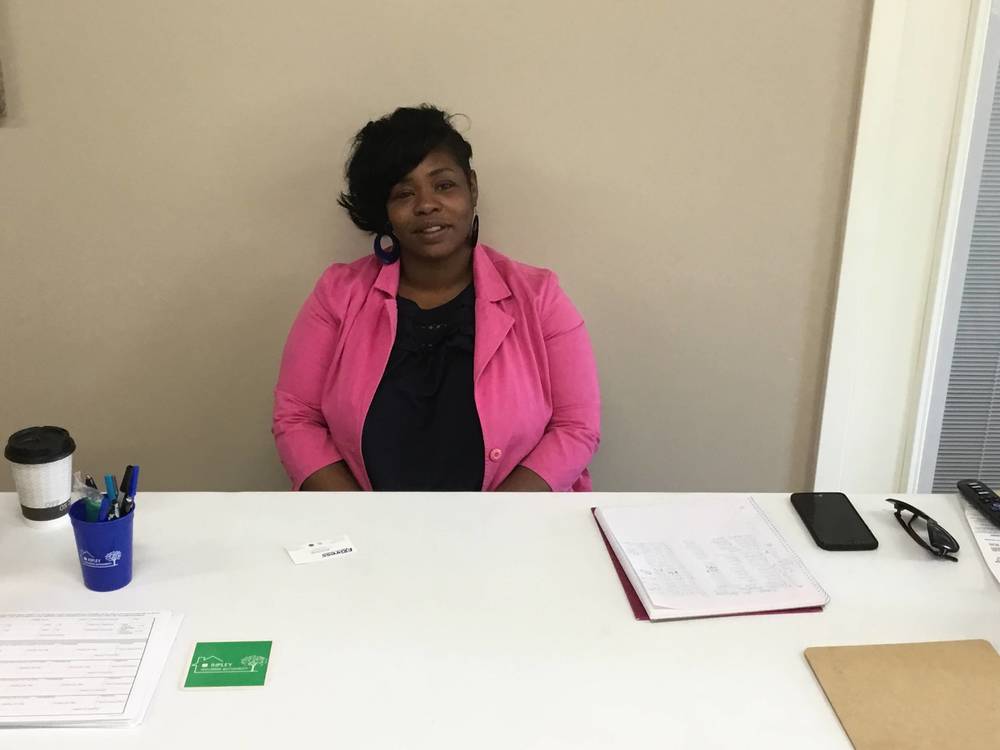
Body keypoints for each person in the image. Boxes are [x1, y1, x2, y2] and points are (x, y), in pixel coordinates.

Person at [272, 105, 600, 492]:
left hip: (510, 535)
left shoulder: (539, 297)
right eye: (404, 193)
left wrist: (494, 524)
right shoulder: (337, 295)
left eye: (443, 185)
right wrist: (363, 522)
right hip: (367, 538)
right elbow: (296, 419)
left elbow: (576, 427)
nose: (426, 204)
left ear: (472, 188)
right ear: (386, 211)